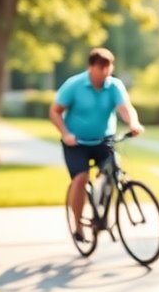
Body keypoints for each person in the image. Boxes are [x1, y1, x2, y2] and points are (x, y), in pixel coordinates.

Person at [49, 47, 144, 242]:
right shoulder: (74, 85)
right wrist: (66, 134)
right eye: (101, 68)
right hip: (76, 144)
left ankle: (100, 209)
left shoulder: (114, 86)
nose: (105, 72)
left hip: (104, 141)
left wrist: (133, 123)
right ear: (90, 67)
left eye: (108, 68)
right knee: (81, 178)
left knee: (113, 171)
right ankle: (78, 226)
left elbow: (125, 108)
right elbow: (55, 111)